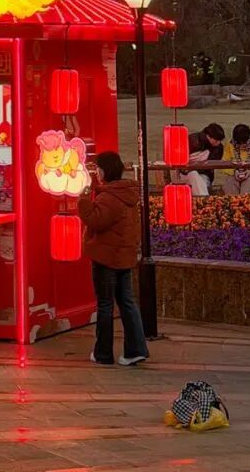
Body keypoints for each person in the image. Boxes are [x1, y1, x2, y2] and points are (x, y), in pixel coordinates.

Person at [77, 150, 149, 368]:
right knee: (127, 302)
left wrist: (83, 197)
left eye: (97, 169)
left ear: (103, 171)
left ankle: (103, 352)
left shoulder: (109, 197)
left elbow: (94, 220)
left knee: (105, 304)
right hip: (124, 256)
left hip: (106, 258)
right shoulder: (125, 193)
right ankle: (135, 349)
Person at [174, 123, 225, 197]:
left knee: (199, 181)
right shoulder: (191, 141)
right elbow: (178, 158)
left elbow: (212, 165)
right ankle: (204, 200)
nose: (219, 143)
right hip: (185, 174)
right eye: (216, 140)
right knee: (193, 174)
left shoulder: (219, 148)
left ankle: (203, 200)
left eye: (220, 140)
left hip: (204, 175)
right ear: (208, 136)